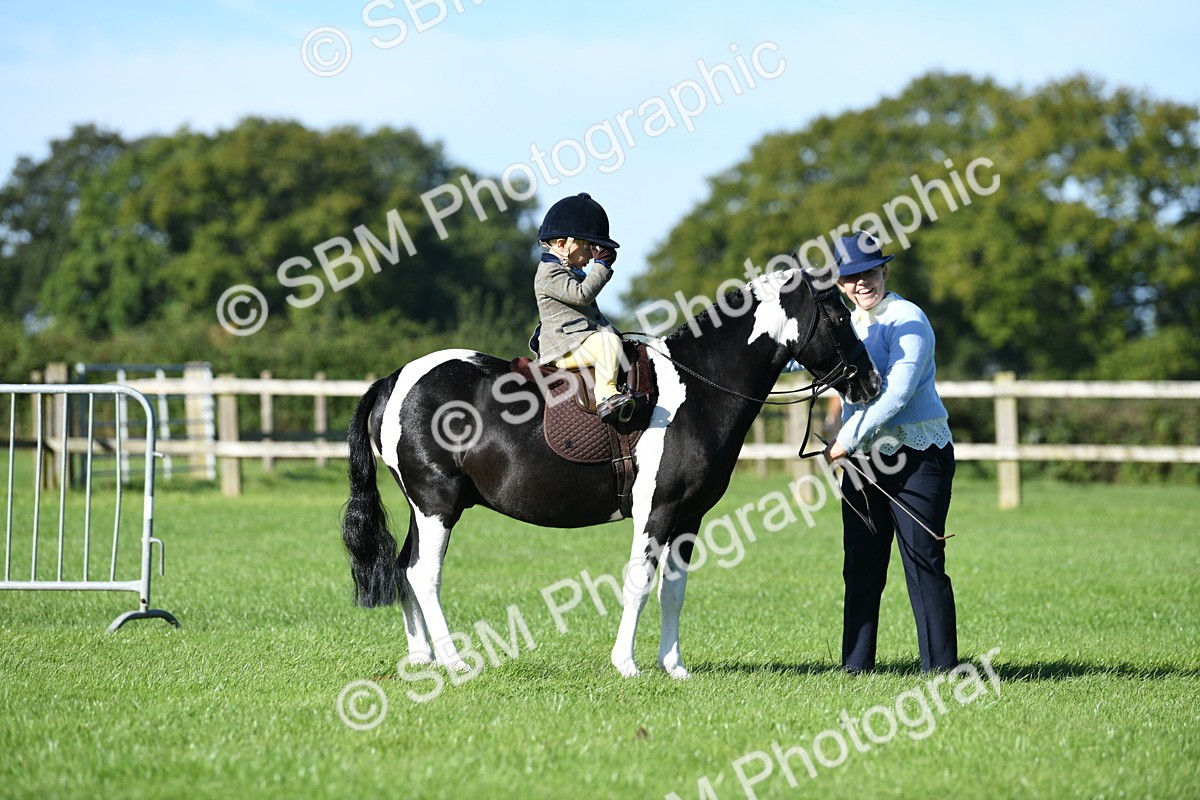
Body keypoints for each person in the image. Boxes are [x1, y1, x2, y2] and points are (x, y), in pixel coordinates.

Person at [822, 231, 958, 673]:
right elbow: (801, 356)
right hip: (863, 463)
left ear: (884, 270)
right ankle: (855, 668)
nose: (861, 283)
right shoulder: (845, 325)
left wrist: (847, 436)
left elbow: (897, 393)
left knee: (923, 562)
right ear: (840, 285)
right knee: (860, 566)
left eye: (868, 272)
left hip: (918, 456)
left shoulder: (908, 319)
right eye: (850, 277)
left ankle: (940, 670)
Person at [532, 192, 636, 424]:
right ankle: (606, 395)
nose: (592, 254)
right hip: (562, 347)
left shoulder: (570, 270)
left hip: (577, 341)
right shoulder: (549, 273)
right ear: (562, 244)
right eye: (588, 247)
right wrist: (602, 266)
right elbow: (582, 296)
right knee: (607, 342)